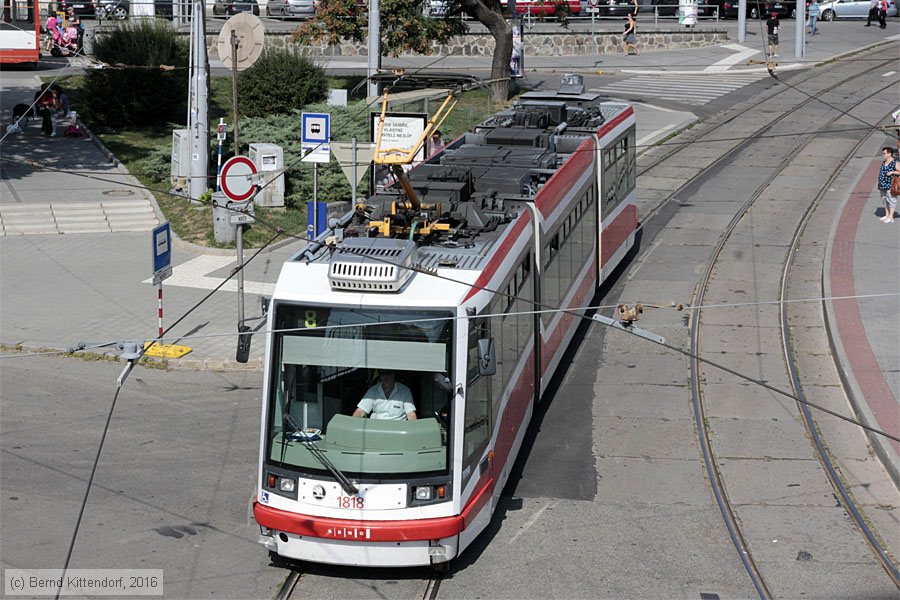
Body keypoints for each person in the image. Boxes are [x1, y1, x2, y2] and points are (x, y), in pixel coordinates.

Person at [353, 370, 417, 421]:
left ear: (394, 374)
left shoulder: (404, 391)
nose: (385, 376)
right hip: (376, 429)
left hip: (397, 430)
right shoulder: (373, 390)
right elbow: (360, 411)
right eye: (382, 373)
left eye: (388, 373)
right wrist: (353, 425)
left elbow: (411, 414)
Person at [877, 147, 898, 223]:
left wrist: (893, 172)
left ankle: (891, 217)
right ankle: (887, 215)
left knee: (891, 200)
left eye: (884, 153)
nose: (883, 155)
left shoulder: (895, 163)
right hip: (882, 184)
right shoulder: (883, 162)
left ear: (889, 154)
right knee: (884, 199)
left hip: (890, 184)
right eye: (883, 153)